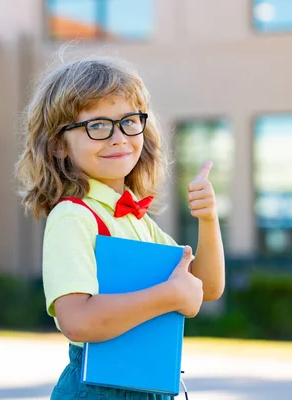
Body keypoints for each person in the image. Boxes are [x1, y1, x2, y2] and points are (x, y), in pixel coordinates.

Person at [15, 55, 225, 399]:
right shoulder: (74, 216)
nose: (118, 138)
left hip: (149, 388)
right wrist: (169, 295)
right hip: (100, 389)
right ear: (58, 144)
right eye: (97, 126)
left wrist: (208, 220)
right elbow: (77, 320)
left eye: (129, 121)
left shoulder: (134, 217)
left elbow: (205, 288)